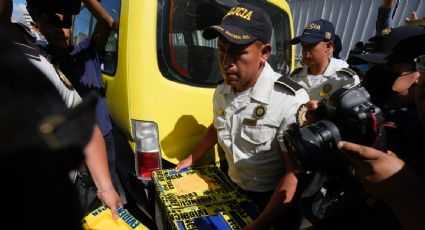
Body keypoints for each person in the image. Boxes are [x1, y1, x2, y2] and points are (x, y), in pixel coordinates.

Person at [175, 3, 309, 229]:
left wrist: (260, 224)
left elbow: (293, 173)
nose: (226, 62)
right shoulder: (222, 91)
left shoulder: (289, 100)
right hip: (234, 187)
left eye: (237, 52)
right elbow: (218, 125)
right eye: (221, 50)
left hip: (273, 202)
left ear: (264, 53)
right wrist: (192, 158)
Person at [0, 0, 122, 219]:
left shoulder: (86, 51)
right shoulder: (40, 56)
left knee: (109, 197)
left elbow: (107, 22)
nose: (62, 30)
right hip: (72, 150)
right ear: (37, 27)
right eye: (53, 23)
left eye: (66, 23)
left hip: (102, 135)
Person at [337, 45, 425, 230]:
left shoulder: (405, 132)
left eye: (391, 68)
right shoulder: (381, 119)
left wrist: (405, 200)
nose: (375, 74)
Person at [290, 19, 360, 101]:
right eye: (303, 46)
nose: (305, 52)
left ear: (328, 46)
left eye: (310, 46)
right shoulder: (295, 77)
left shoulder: (345, 80)